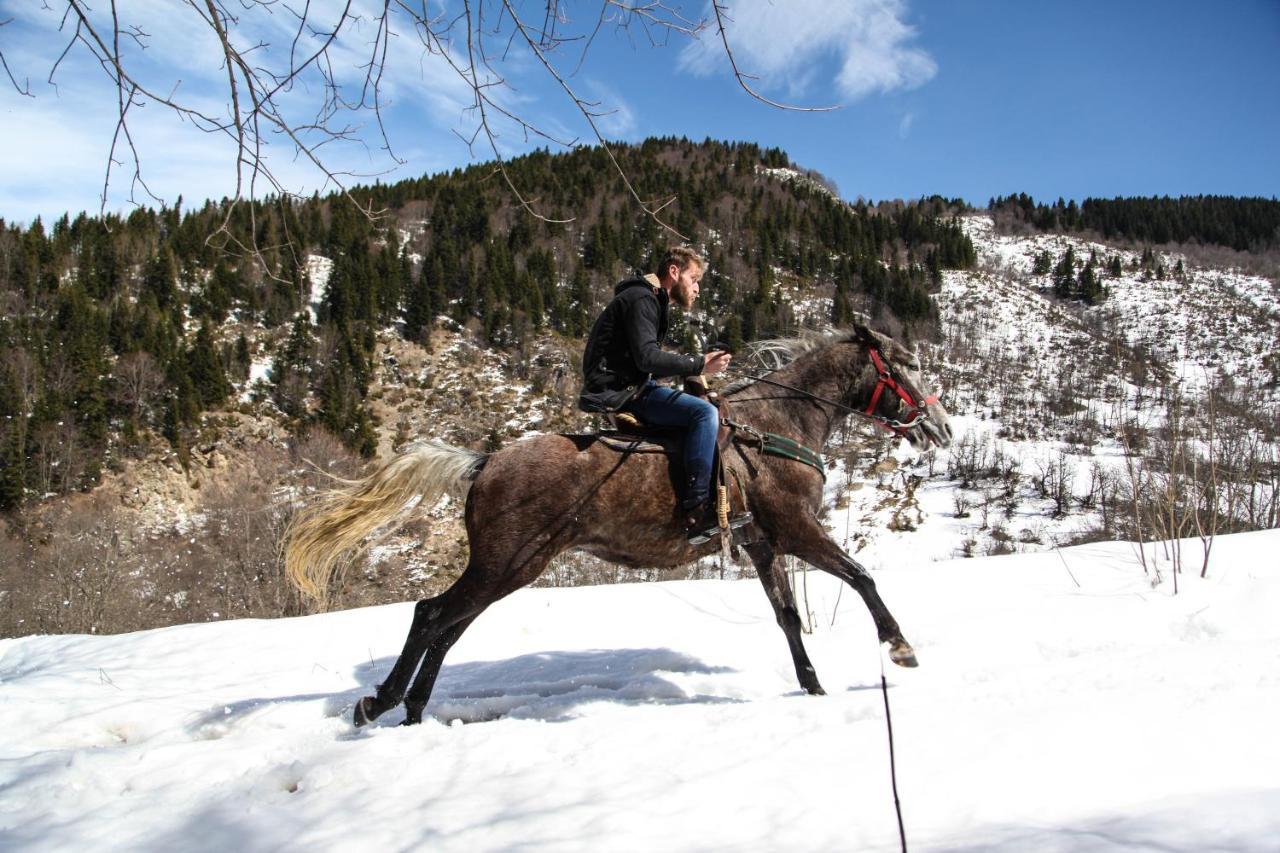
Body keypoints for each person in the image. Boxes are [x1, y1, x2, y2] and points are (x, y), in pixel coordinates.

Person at [578, 246, 750, 544]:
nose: (696, 289)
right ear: (674, 272)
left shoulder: (647, 299)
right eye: (693, 279)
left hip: (629, 384)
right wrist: (699, 364)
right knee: (704, 413)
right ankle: (697, 509)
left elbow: (643, 362)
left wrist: (693, 371)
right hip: (622, 390)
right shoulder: (642, 299)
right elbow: (647, 359)